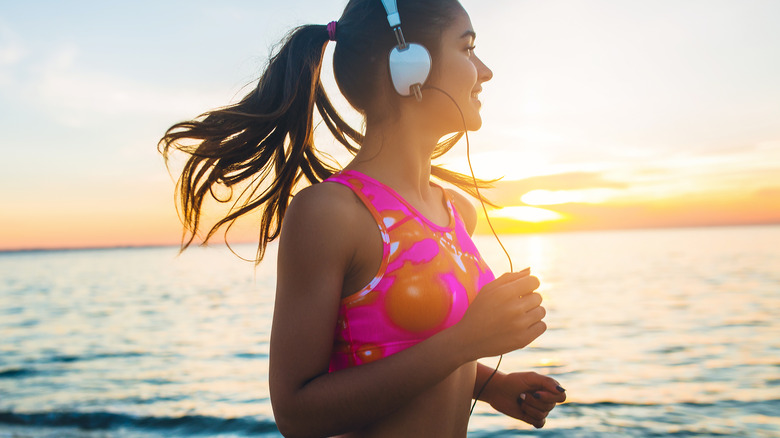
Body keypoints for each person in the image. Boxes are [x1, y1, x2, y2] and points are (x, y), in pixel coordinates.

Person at [159, 0, 566, 436]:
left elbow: (405, 345)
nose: (485, 71)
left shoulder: (457, 212)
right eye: (467, 49)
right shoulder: (332, 214)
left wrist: (491, 384)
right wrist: (466, 341)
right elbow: (296, 414)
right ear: (410, 66)